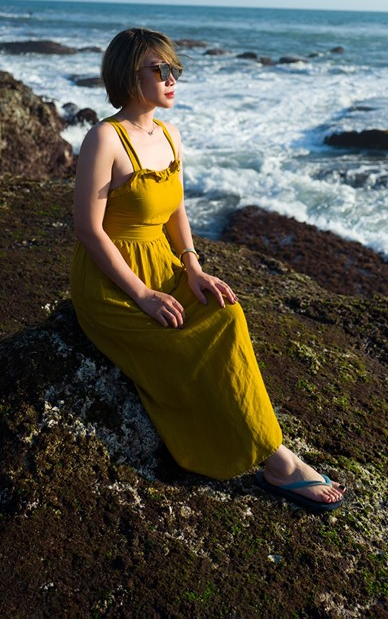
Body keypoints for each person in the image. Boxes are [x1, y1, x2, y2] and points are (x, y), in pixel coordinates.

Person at [70, 27, 345, 512]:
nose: (172, 78)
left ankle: (265, 447)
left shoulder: (169, 134)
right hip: (112, 282)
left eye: (175, 68)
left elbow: (175, 209)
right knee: (186, 341)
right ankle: (277, 460)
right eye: (161, 69)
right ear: (128, 75)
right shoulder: (104, 139)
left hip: (162, 261)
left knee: (225, 314)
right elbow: (89, 231)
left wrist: (193, 268)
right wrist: (143, 295)